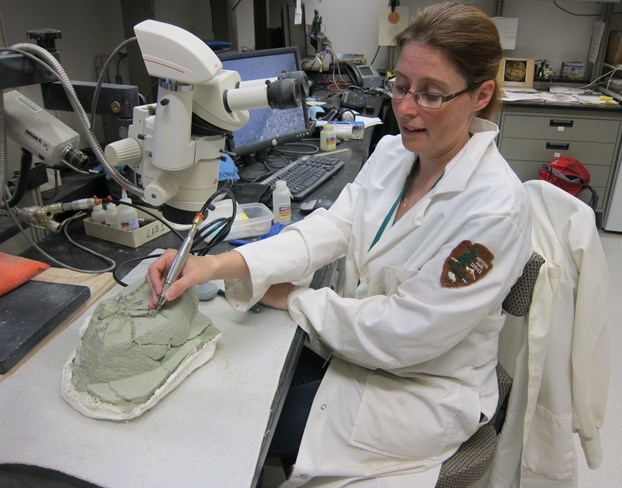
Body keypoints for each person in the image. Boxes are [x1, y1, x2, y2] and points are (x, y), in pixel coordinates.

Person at [146, 2, 532, 486]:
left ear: (481, 95)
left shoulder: (493, 210)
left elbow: (403, 333)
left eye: (432, 95)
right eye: (401, 86)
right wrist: (216, 265)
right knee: (230, 381)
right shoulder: (395, 152)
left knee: (230, 424)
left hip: (417, 388)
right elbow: (333, 227)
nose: (407, 108)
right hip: (358, 354)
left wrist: (295, 297)